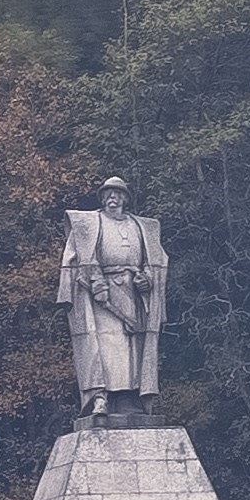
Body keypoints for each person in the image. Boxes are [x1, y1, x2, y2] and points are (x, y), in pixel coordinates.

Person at [59, 177, 167, 416]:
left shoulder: (139, 226)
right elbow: (85, 257)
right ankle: (101, 397)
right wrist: (97, 283)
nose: (112, 198)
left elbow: (152, 262)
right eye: (108, 193)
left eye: (117, 193)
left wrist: (147, 280)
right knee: (104, 346)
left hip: (133, 294)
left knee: (132, 348)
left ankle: (129, 398)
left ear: (125, 198)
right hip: (102, 294)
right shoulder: (93, 223)